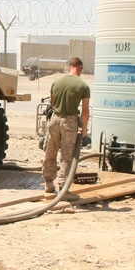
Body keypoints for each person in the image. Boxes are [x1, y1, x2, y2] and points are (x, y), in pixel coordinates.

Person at [41, 57, 91, 194]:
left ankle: (49, 183)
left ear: (69, 67)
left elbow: (52, 104)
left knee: (50, 151)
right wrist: (84, 131)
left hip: (54, 120)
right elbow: (85, 111)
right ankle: (63, 185)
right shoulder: (83, 86)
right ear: (80, 68)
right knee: (67, 155)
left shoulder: (56, 82)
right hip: (69, 122)